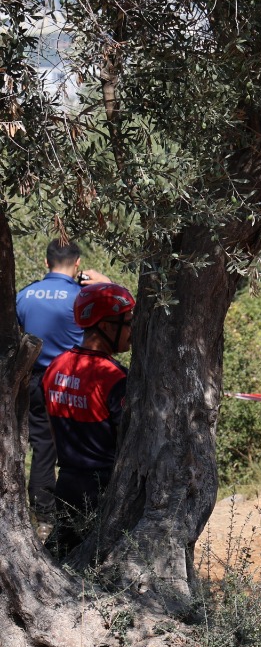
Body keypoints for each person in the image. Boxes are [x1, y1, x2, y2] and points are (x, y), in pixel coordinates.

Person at [15, 239, 110, 523]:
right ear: (77, 263)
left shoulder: (25, 295)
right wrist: (105, 283)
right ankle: (81, 513)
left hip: (34, 381)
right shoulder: (82, 296)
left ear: (47, 262)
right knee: (81, 445)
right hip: (72, 379)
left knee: (42, 447)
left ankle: (44, 517)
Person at [42, 281, 134, 559]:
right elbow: (129, 442)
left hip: (67, 482)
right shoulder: (115, 377)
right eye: (127, 322)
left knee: (61, 555)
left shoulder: (54, 367)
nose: (132, 332)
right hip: (102, 490)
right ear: (106, 326)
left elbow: (52, 430)